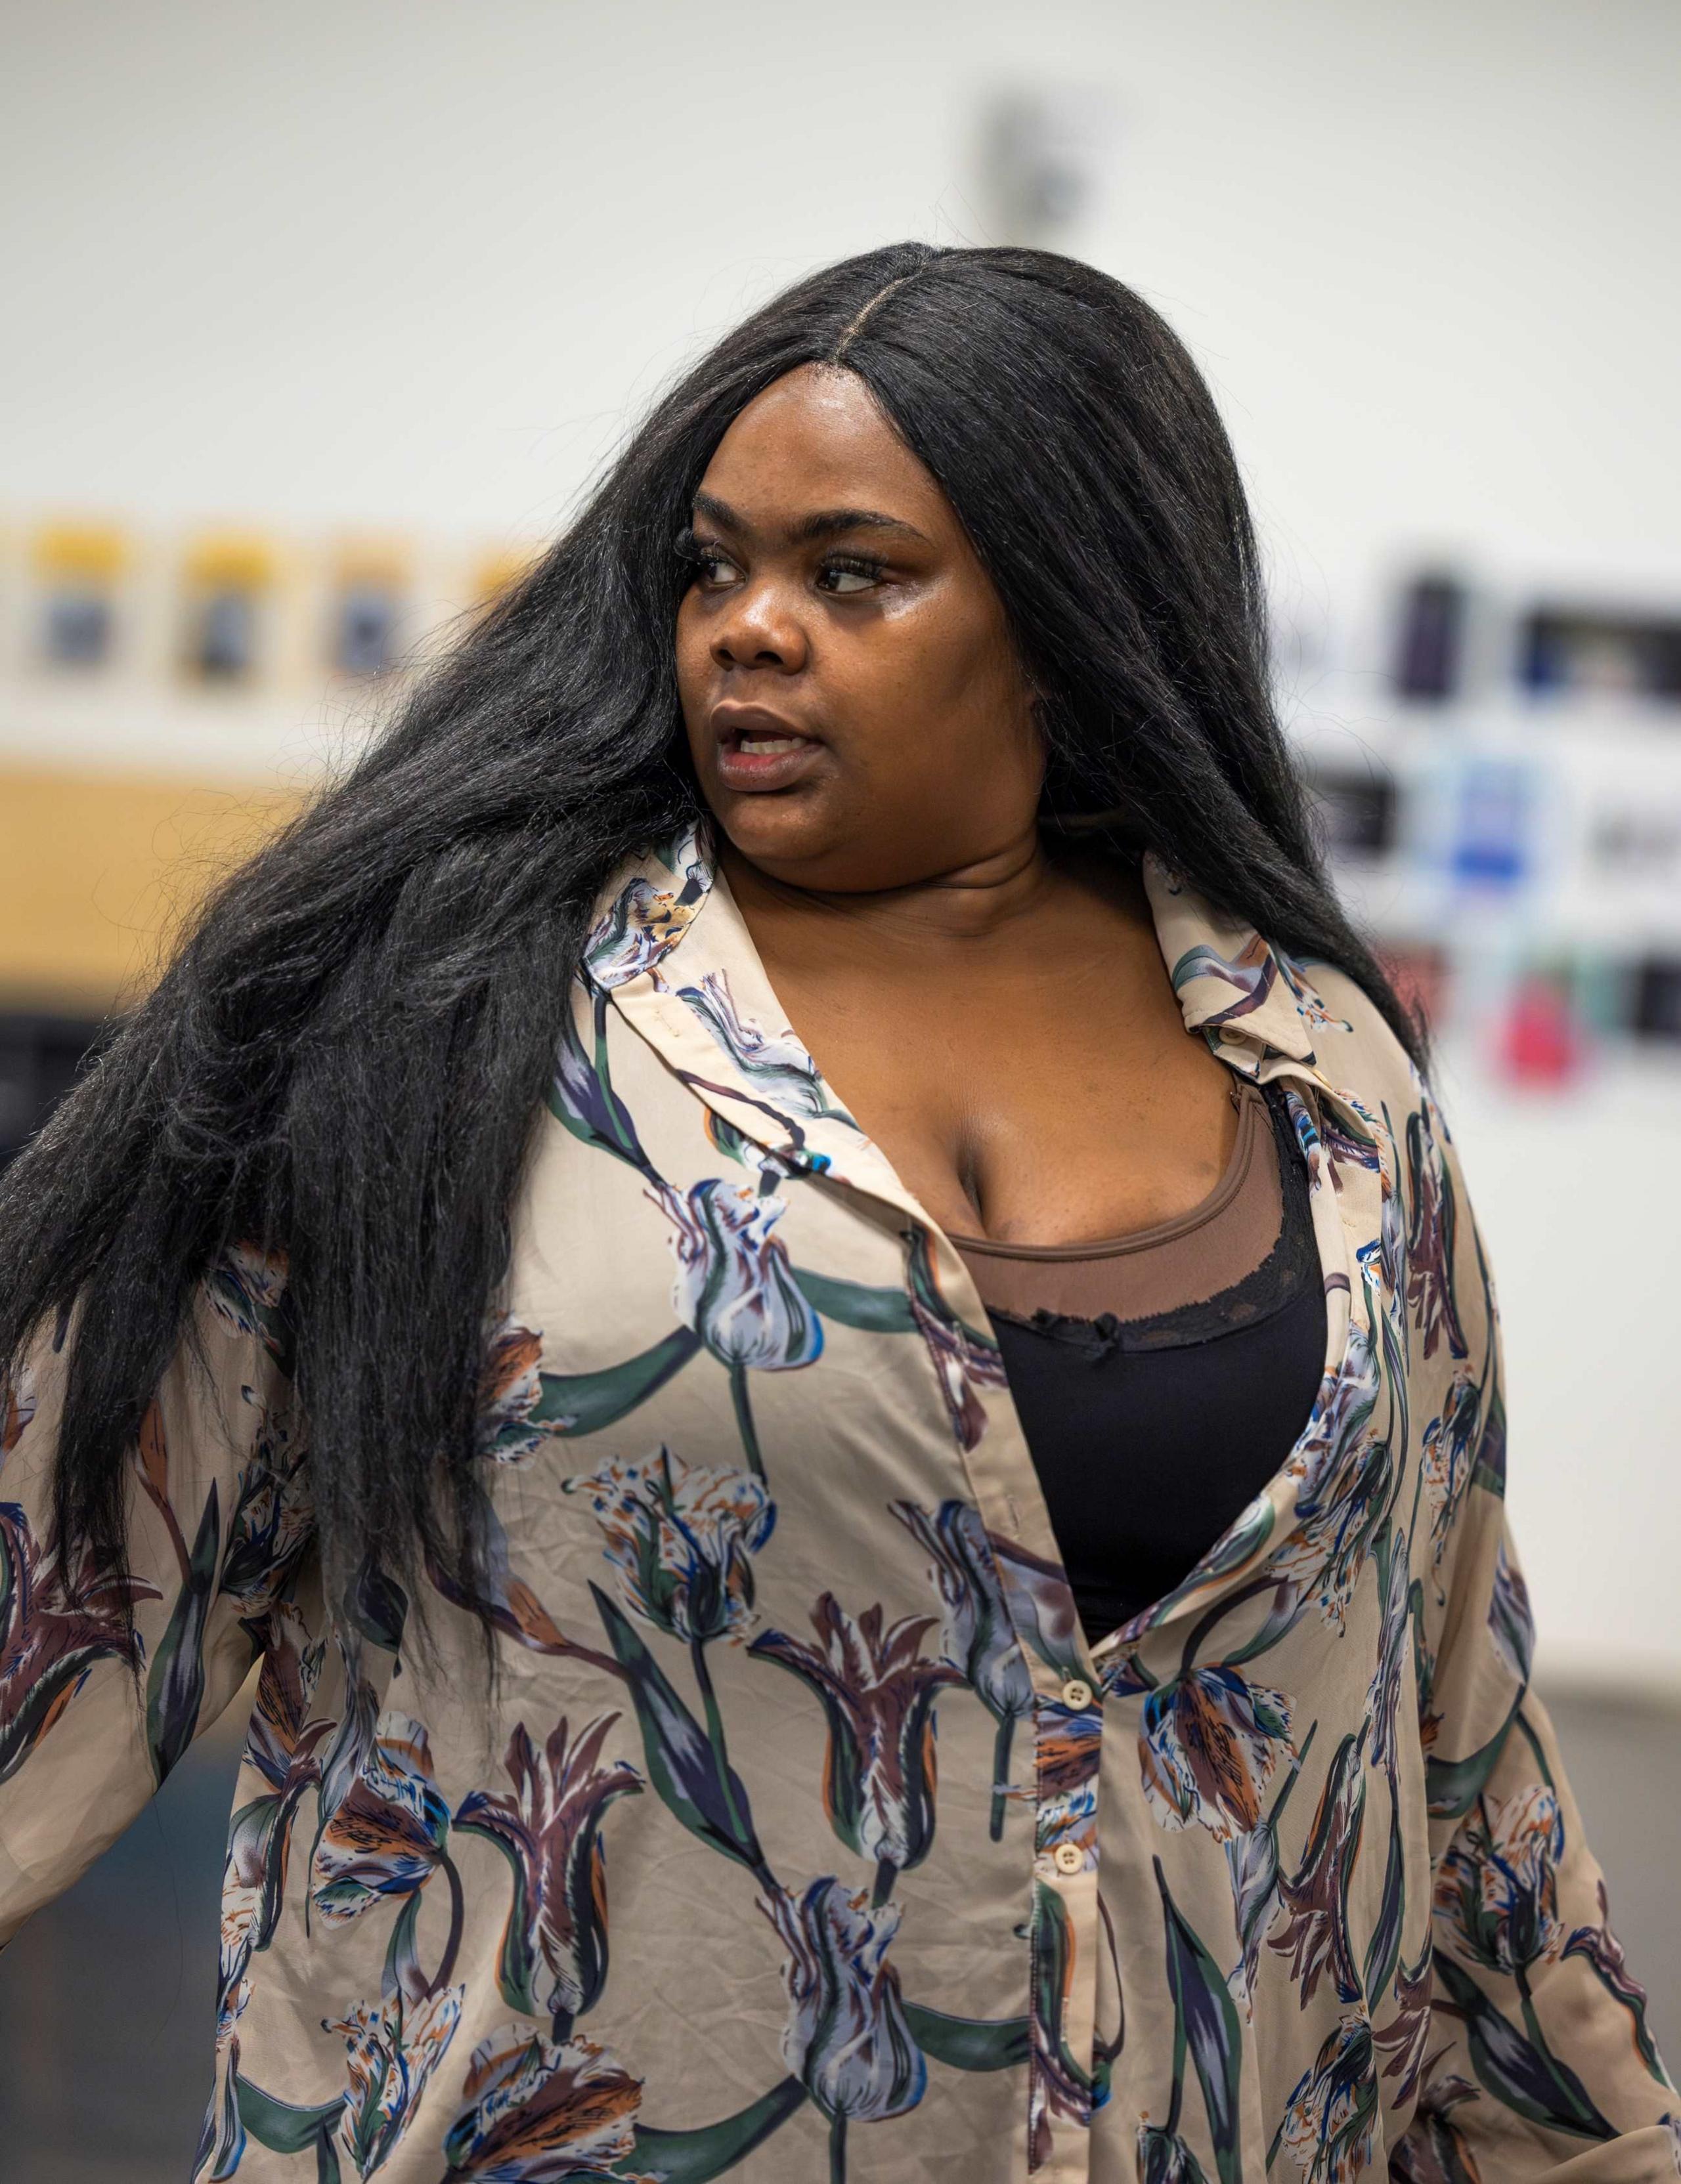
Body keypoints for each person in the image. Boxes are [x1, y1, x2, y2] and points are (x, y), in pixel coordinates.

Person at [0, 245, 1672, 2184]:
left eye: (850, 573)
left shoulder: (1336, 1092)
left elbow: (1454, 1739)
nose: (748, 630)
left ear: (1065, 613)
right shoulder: (436, 1039)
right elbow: (58, 1573)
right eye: (712, 569)